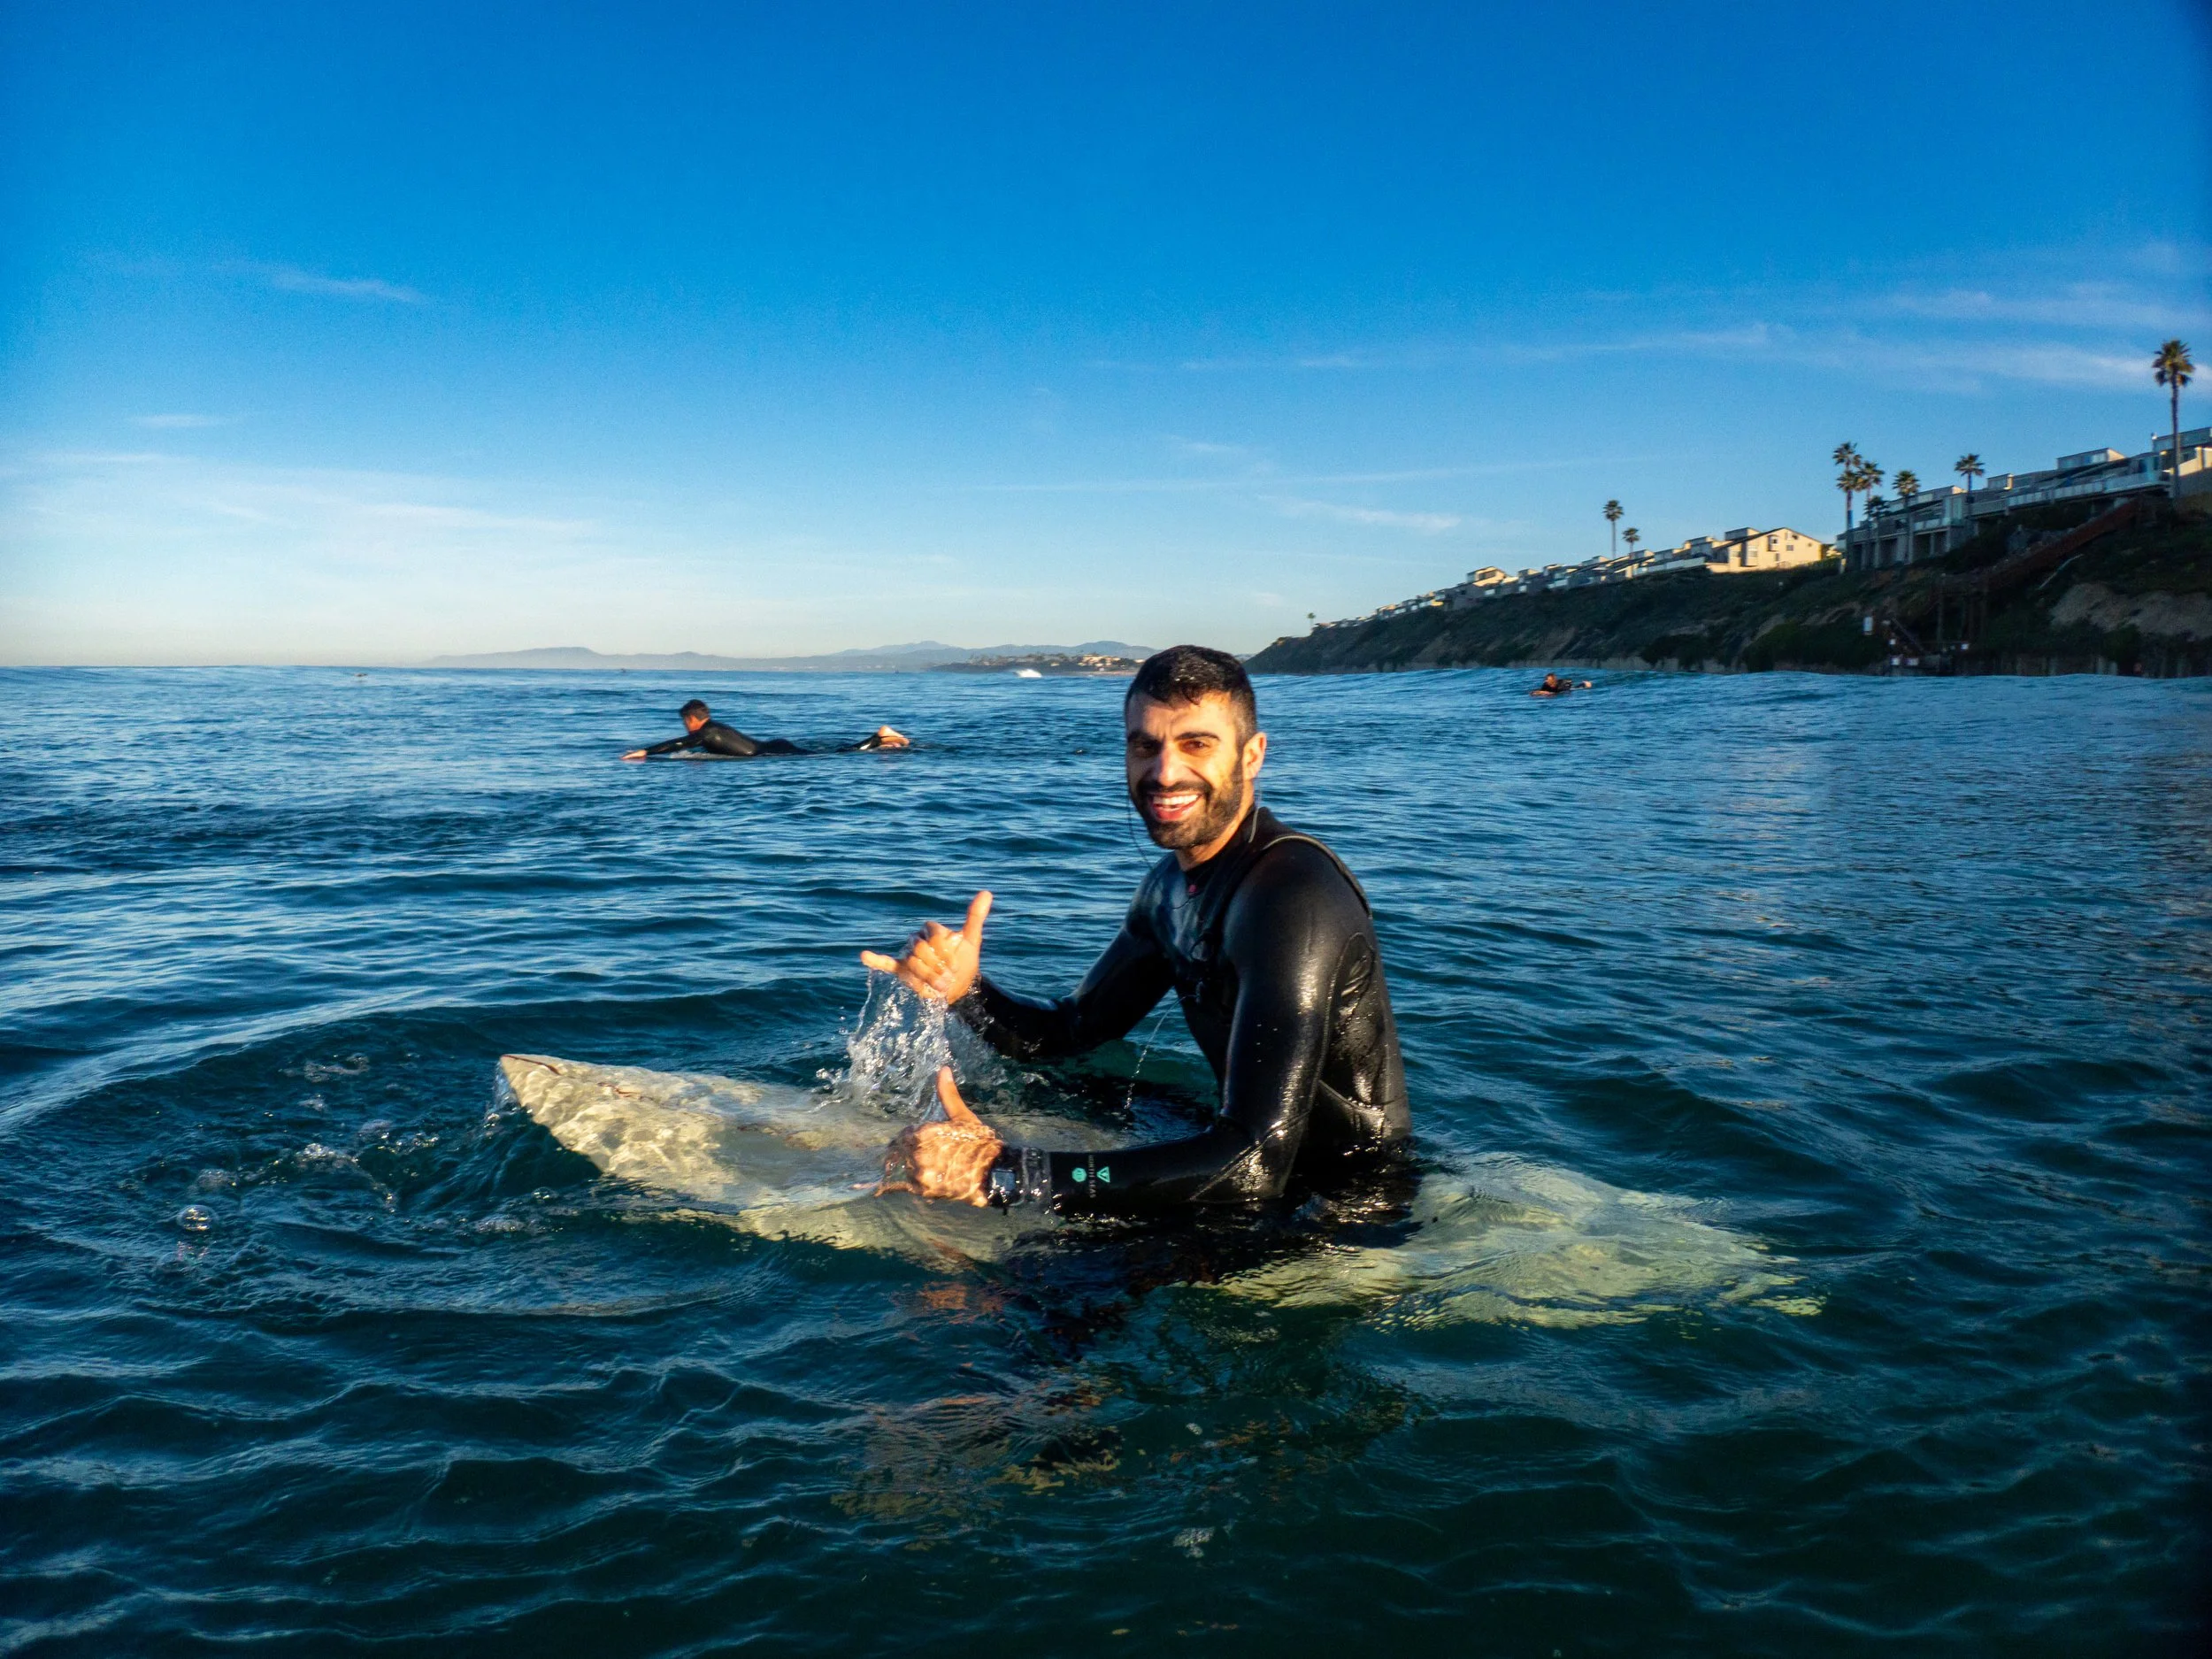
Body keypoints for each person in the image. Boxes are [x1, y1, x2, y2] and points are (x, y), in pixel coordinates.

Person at [862, 645, 1409, 1212]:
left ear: (1252, 757)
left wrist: (1006, 1175)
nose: (1165, 772)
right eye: (1145, 746)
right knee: (1079, 1094)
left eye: (1196, 744)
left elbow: (1254, 1166)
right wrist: (967, 992)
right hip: (1254, 1170)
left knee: (1016, 1288)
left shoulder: (1292, 896)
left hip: (1340, 1204)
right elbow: (1072, 1030)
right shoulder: (1171, 887)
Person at [622, 699, 910, 760]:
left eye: (685, 722)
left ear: (691, 719)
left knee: (837, 755)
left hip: (771, 753)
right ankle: (881, 744)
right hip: (772, 747)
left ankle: (878, 736)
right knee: (834, 753)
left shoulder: (705, 732)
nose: (685, 728)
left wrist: (646, 752)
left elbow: (677, 745)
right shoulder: (712, 728)